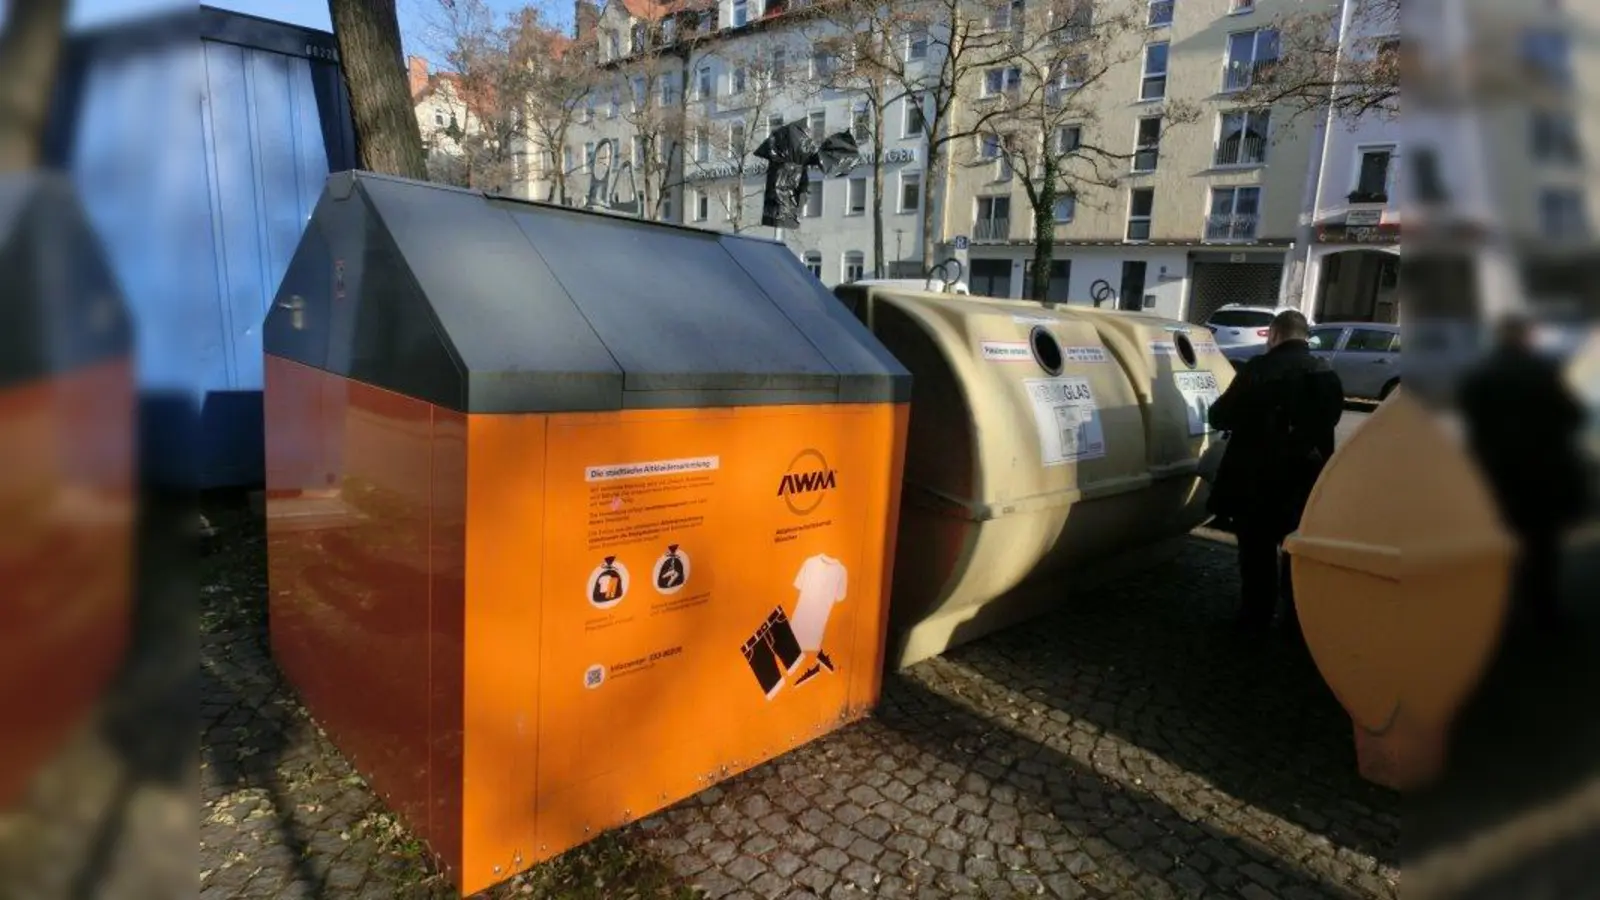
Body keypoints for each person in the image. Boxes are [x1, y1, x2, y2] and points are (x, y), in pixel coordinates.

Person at [1207, 309, 1345, 634]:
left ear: (1274, 335)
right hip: (1306, 479)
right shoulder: (1326, 372)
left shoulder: (1259, 369)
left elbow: (1220, 415)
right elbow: (1330, 421)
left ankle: (1254, 622)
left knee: (1256, 553)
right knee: (1296, 551)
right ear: (1305, 336)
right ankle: (1295, 623)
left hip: (1257, 478)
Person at [1457, 314, 1590, 632]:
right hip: (1540, 472)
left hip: (1496, 474)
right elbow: (1573, 415)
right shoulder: (1541, 372)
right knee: (1542, 546)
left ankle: (1497, 611)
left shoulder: (1481, 372)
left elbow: (1471, 418)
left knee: (1497, 542)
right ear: (1525, 337)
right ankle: (1543, 612)